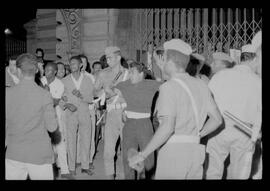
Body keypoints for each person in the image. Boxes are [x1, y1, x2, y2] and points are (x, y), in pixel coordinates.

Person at [128, 39, 222, 179]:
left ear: (169, 60)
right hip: (196, 151)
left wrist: (142, 154)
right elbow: (217, 120)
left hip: (174, 153)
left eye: (163, 59)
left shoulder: (168, 87)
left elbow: (167, 127)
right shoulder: (201, 85)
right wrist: (197, 135)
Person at [206, 43, 262, 179]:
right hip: (244, 132)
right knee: (239, 174)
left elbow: (206, 102)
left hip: (218, 129)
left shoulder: (219, 76)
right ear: (254, 59)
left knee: (212, 172)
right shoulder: (257, 81)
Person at [5, 53, 58, 180]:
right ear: (36, 70)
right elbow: (52, 127)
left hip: (14, 153)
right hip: (39, 154)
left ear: (18, 70)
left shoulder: (8, 93)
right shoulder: (44, 94)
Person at [114, 61, 161, 179]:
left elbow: (168, 87)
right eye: (129, 72)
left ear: (141, 74)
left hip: (144, 124)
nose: (130, 75)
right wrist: (123, 105)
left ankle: (147, 176)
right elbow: (111, 91)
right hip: (129, 124)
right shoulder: (125, 84)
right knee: (128, 156)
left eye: (132, 72)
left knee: (148, 156)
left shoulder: (152, 84)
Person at [94, 46, 129, 179]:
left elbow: (135, 92)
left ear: (118, 57)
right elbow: (94, 91)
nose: (107, 60)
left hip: (127, 112)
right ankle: (110, 176)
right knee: (108, 151)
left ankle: (124, 175)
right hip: (112, 113)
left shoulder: (129, 73)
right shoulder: (102, 73)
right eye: (106, 58)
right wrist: (103, 93)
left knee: (126, 149)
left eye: (110, 58)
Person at [61, 55, 94, 176]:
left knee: (86, 139)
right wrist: (67, 104)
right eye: (70, 64)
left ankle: (85, 166)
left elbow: (91, 98)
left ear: (81, 65)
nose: (72, 66)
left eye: (74, 63)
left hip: (85, 112)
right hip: (71, 113)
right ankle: (71, 167)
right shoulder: (64, 80)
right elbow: (60, 98)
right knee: (71, 140)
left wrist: (81, 95)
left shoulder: (88, 80)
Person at [40, 62, 73, 179]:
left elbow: (55, 102)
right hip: (41, 117)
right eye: (45, 70)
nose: (46, 73)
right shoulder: (39, 80)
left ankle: (64, 170)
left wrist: (46, 93)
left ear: (54, 72)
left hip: (55, 116)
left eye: (49, 71)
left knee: (59, 143)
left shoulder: (59, 84)